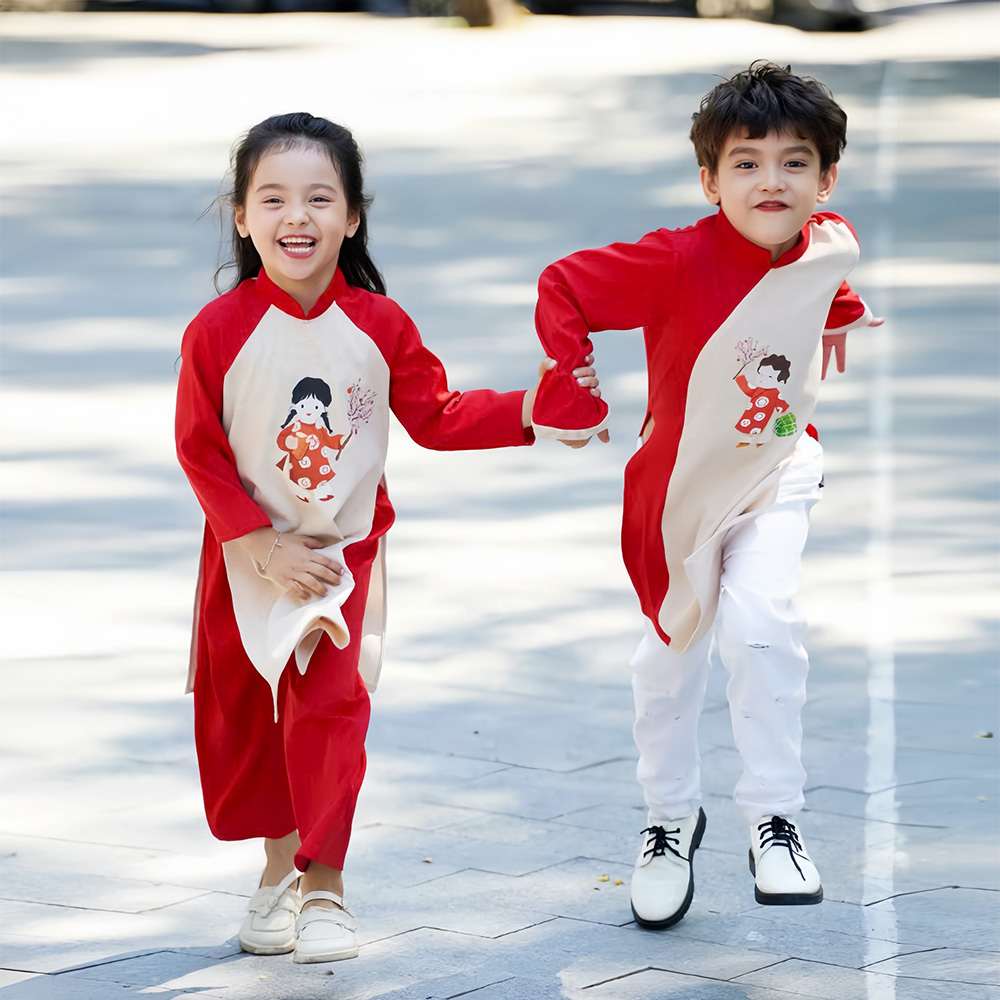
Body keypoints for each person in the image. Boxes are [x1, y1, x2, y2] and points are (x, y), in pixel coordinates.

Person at [175, 112, 600, 964]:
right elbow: (198, 448)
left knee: (328, 713)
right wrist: (259, 546)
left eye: (320, 198)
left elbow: (437, 415)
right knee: (250, 727)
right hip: (248, 559)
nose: (297, 216)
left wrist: (532, 408)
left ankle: (326, 888)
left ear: (353, 215)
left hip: (342, 559)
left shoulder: (381, 324)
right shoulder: (216, 331)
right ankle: (278, 870)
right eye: (273, 198)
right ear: (242, 216)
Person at [529, 63, 880, 928]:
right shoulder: (676, 259)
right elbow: (564, 284)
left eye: (794, 163)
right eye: (746, 163)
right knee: (667, 662)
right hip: (679, 490)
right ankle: (668, 819)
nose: (771, 182)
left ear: (826, 180)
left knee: (763, 626)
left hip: (777, 469)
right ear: (710, 181)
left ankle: (775, 817)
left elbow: (827, 267)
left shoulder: (828, 240)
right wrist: (572, 383)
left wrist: (839, 311)